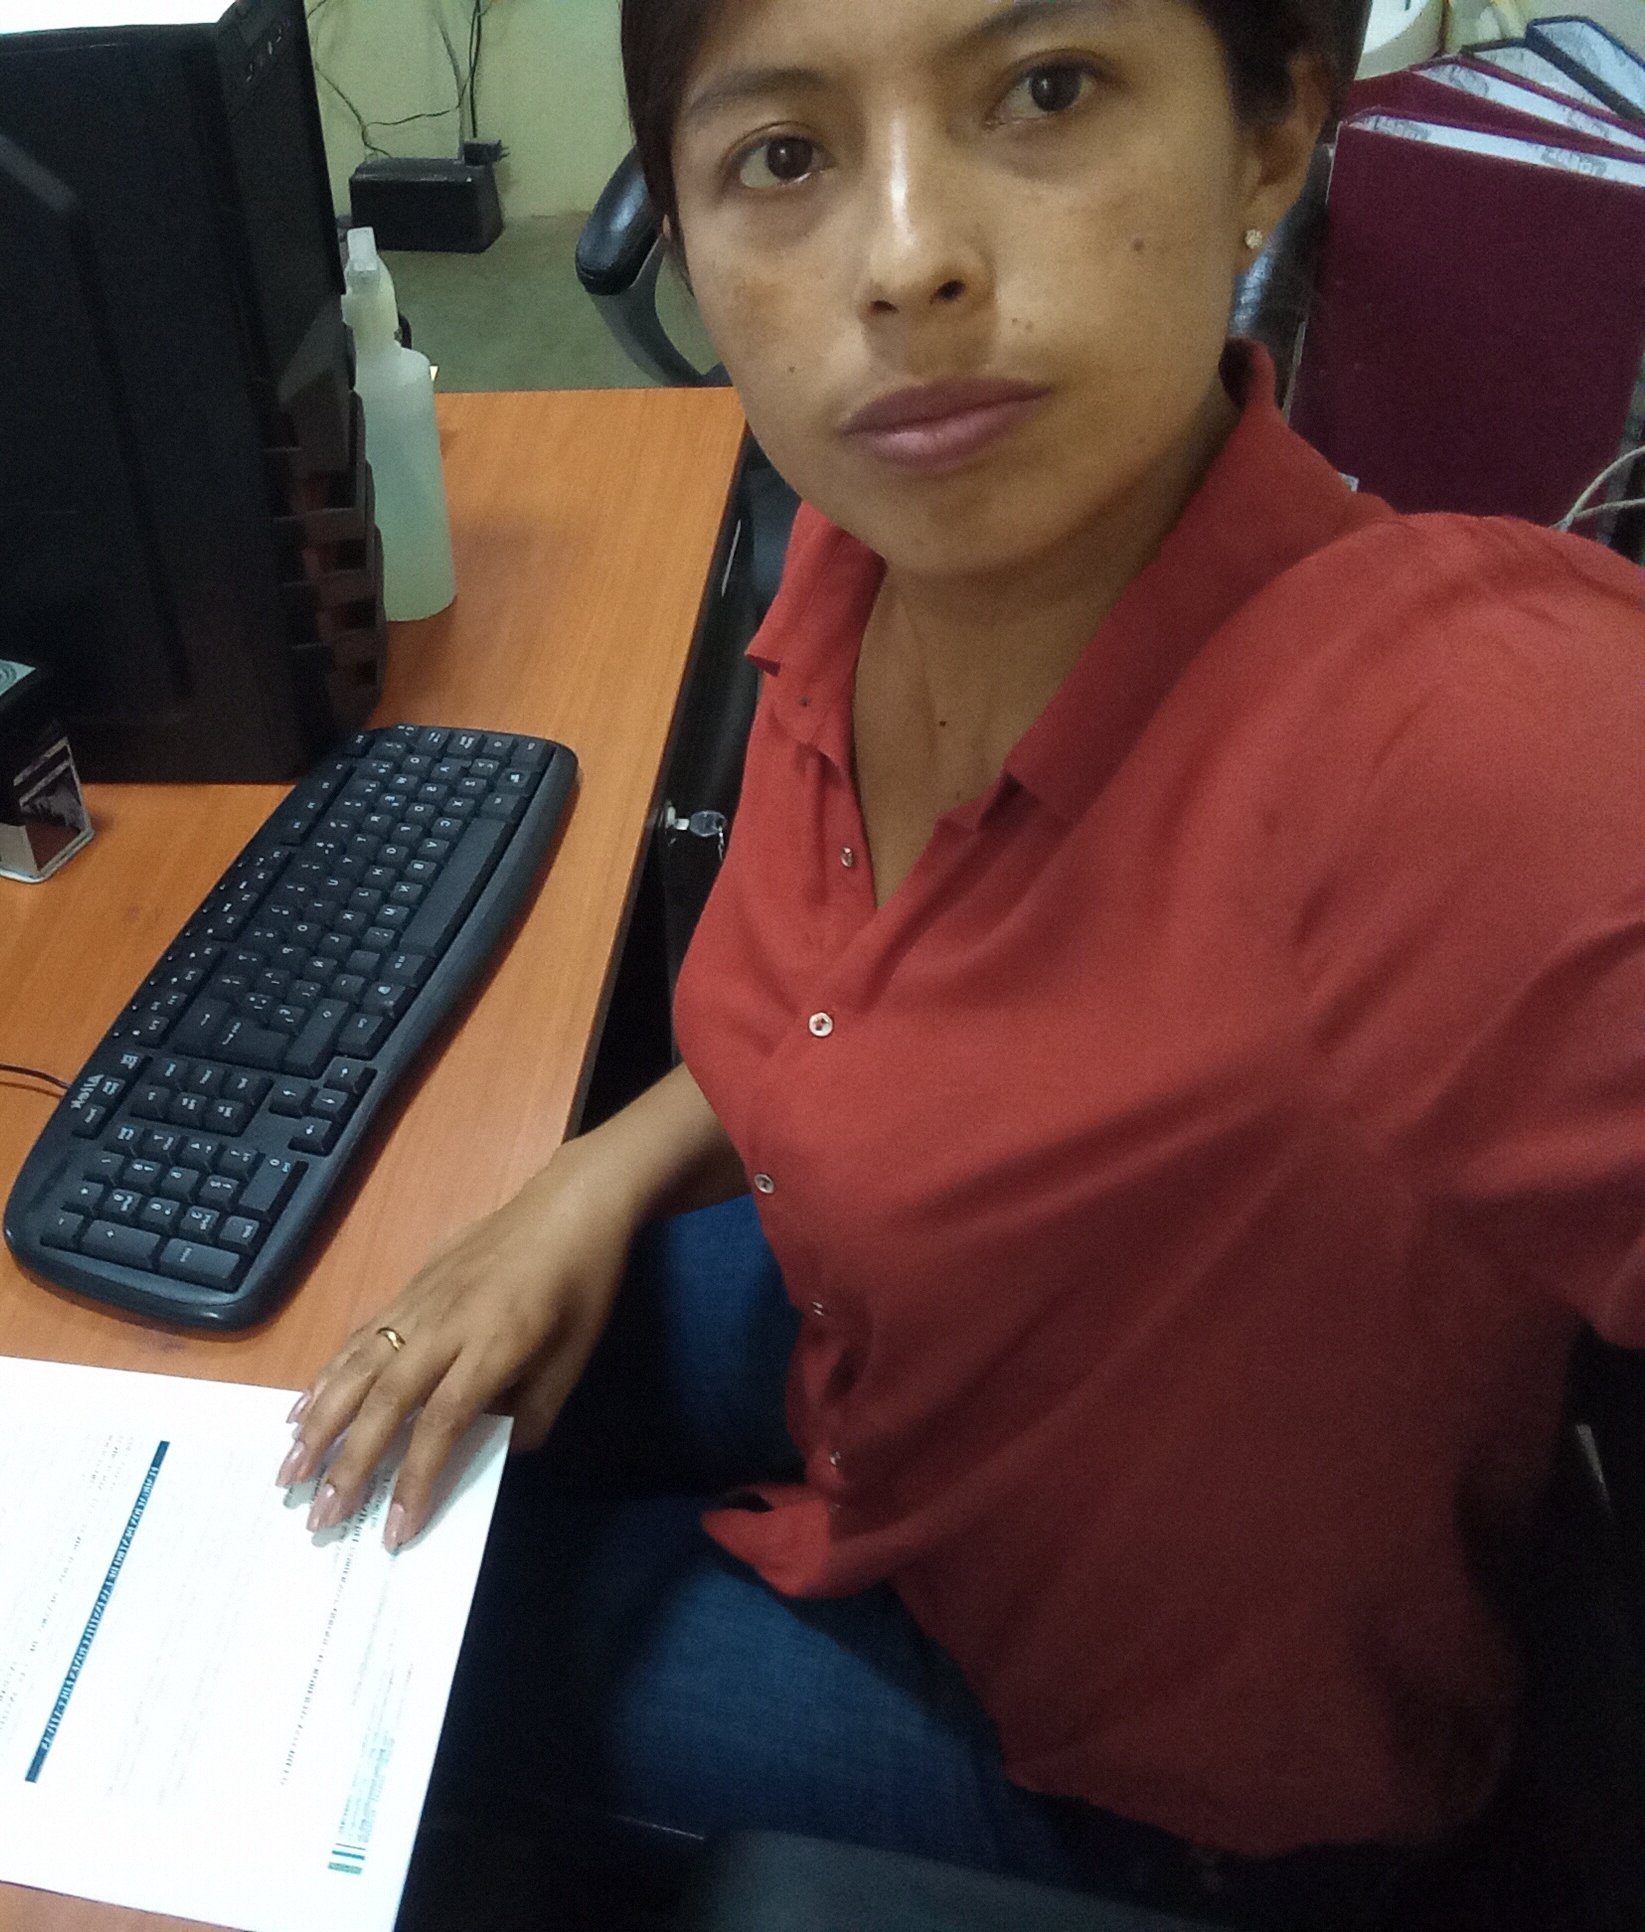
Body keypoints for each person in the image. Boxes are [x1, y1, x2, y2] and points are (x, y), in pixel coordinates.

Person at [277, 0, 1645, 1923]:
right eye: (783, 155)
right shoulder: (854, 574)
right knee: (351, 1402)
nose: (908, 257)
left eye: (1046, 90)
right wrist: (593, 1175)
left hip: (1126, 1779)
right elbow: (862, 999)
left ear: (1270, 139)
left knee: (338, 1648)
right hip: (902, 1398)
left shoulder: (1454, 741)